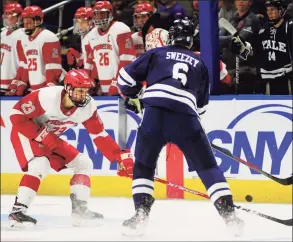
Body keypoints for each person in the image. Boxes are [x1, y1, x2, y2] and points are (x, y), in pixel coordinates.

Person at [117, 18, 244, 237]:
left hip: (154, 114)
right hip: (186, 118)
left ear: (171, 37)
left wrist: (135, 94)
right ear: (190, 39)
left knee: (144, 166)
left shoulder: (156, 54)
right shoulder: (200, 64)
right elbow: (201, 109)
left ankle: (140, 216)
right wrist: (191, 131)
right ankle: (230, 217)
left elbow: (124, 78)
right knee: (208, 168)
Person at [8, 69, 134, 228]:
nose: (84, 95)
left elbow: (99, 135)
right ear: (68, 88)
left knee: (84, 164)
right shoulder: (47, 97)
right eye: (79, 91)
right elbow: (16, 114)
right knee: (40, 165)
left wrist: (119, 158)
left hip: (50, 138)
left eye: (86, 91)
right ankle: (17, 212)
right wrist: (43, 135)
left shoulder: (88, 107)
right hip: (27, 133)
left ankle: (79, 211)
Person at [84, 0, 136, 96]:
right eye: (97, 14)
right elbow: (92, 62)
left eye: (102, 14)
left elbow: (127, 60)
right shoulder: (91, 35)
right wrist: (90, 80)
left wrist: (118, 82)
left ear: (110, 14)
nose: (99, 17)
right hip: (102, 88)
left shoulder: (121, 29)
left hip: (121, 87)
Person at [1, 2, 27, 96]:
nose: (8, 17)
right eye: (6, 14)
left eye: (10, 14)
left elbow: (25, 62)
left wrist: (19, 81)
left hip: (12, 82)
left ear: (19, 17)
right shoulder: (2, 33)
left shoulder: (22, 34)